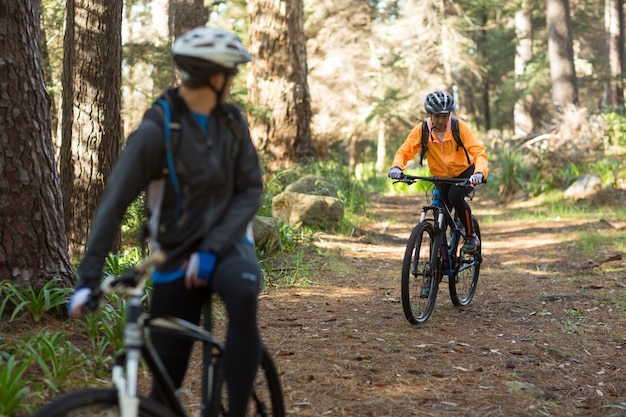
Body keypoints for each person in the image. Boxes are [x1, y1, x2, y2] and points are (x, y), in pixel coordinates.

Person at [68, 26, 263, 416]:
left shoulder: (231, 122)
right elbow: (113, 203)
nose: (234, 81)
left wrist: (210, 249)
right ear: (215, 76)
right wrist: (88, 279)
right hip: (172, 254)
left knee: (243, 297)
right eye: (232, 73)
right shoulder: (157, 130)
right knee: (165, 382)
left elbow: (250, 190)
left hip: (228, 246)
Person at [388, 90, 488, 254]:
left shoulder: (458, 127)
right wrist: (397, 167)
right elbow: (403, 152)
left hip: (465, 172)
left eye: (444, 116)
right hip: (441, 176)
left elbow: (479, 152)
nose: (441, 121)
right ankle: (440, 257)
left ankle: (471, 236)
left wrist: (479, 173)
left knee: (455, 196)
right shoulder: (422, 130)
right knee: (439, 215)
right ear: (429, 114)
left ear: (449, 114)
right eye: (437, 116)